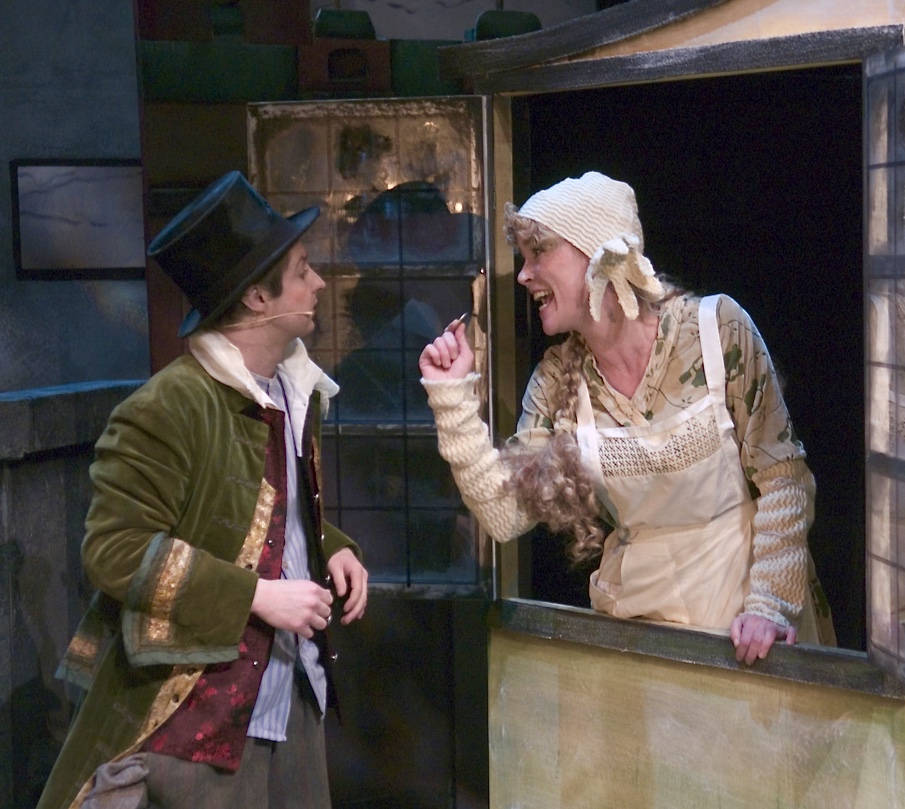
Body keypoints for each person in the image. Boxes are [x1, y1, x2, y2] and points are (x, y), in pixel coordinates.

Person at [36, 171, 368, 809]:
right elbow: (114, 550)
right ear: (257, 298)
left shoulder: (292, 388)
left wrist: (330, 544)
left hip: (293, 692)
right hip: (202, 715)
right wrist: (257, 595)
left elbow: (258, 505)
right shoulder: (168, 406)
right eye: (302, 271)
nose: (319, 283)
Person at [419, 171, 834, 664]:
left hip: (749, 630)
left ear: (600, 256)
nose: (525, 274)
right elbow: (503, 514)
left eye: (539, 253)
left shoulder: (713, 332)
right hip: (646, 638)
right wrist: (451, 400)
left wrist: (768, 605)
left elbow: (784, 478)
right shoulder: (558, 382)